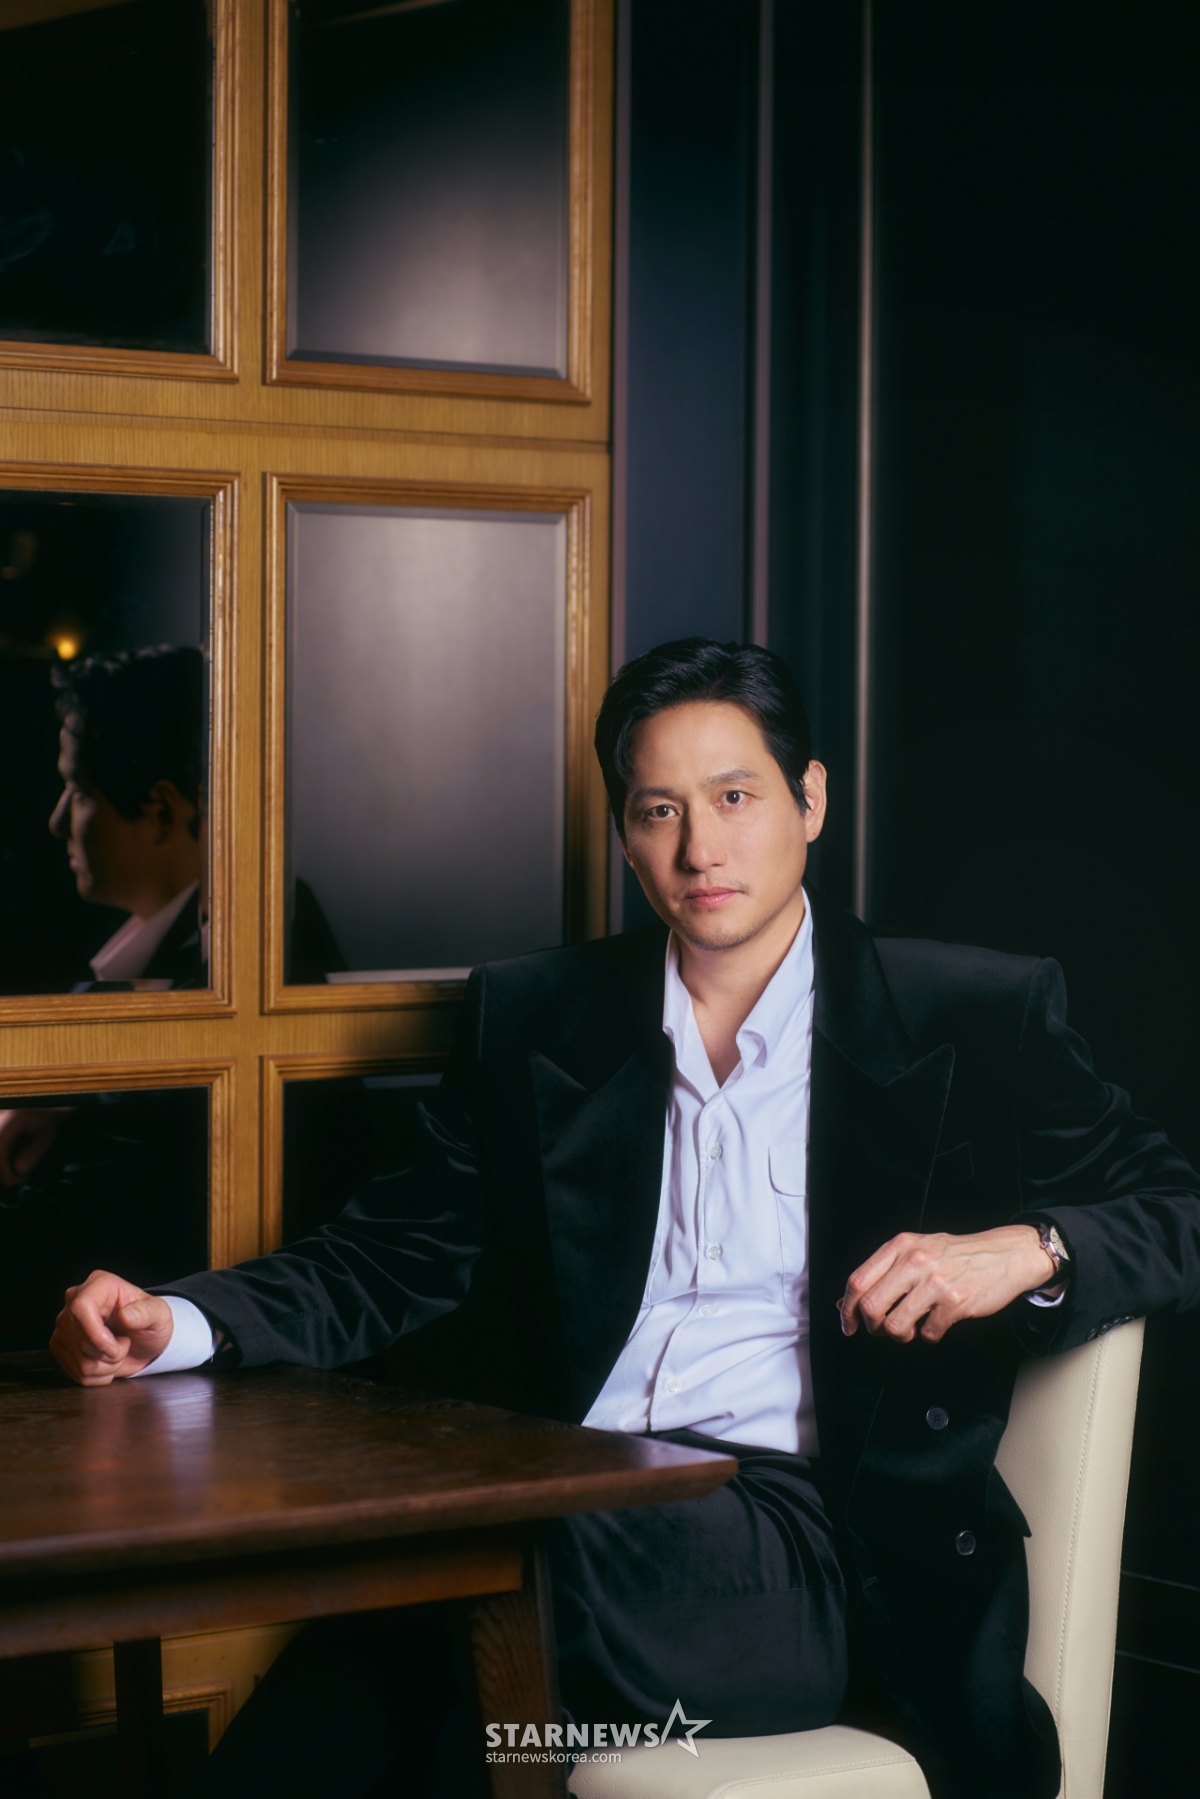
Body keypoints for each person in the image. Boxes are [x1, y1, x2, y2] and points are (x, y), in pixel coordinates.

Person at [50, 639, 1200, 1799]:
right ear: (625, 830)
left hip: (817, 1549)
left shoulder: (973, 1014)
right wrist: (175, 1320)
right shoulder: (538, 1014)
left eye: (735, 797)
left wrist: (1031, 1247)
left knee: (472, 1572)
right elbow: (391, 1252)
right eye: (660, 810)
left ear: (810, 800)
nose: (700, 849)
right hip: (571, 1497)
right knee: (420, 1644)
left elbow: (1178, 1209)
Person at [49, 644, 207, 991]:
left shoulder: (211, 977)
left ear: (162, 815)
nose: (57, 824)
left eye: (81, 794)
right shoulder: (182, 957)